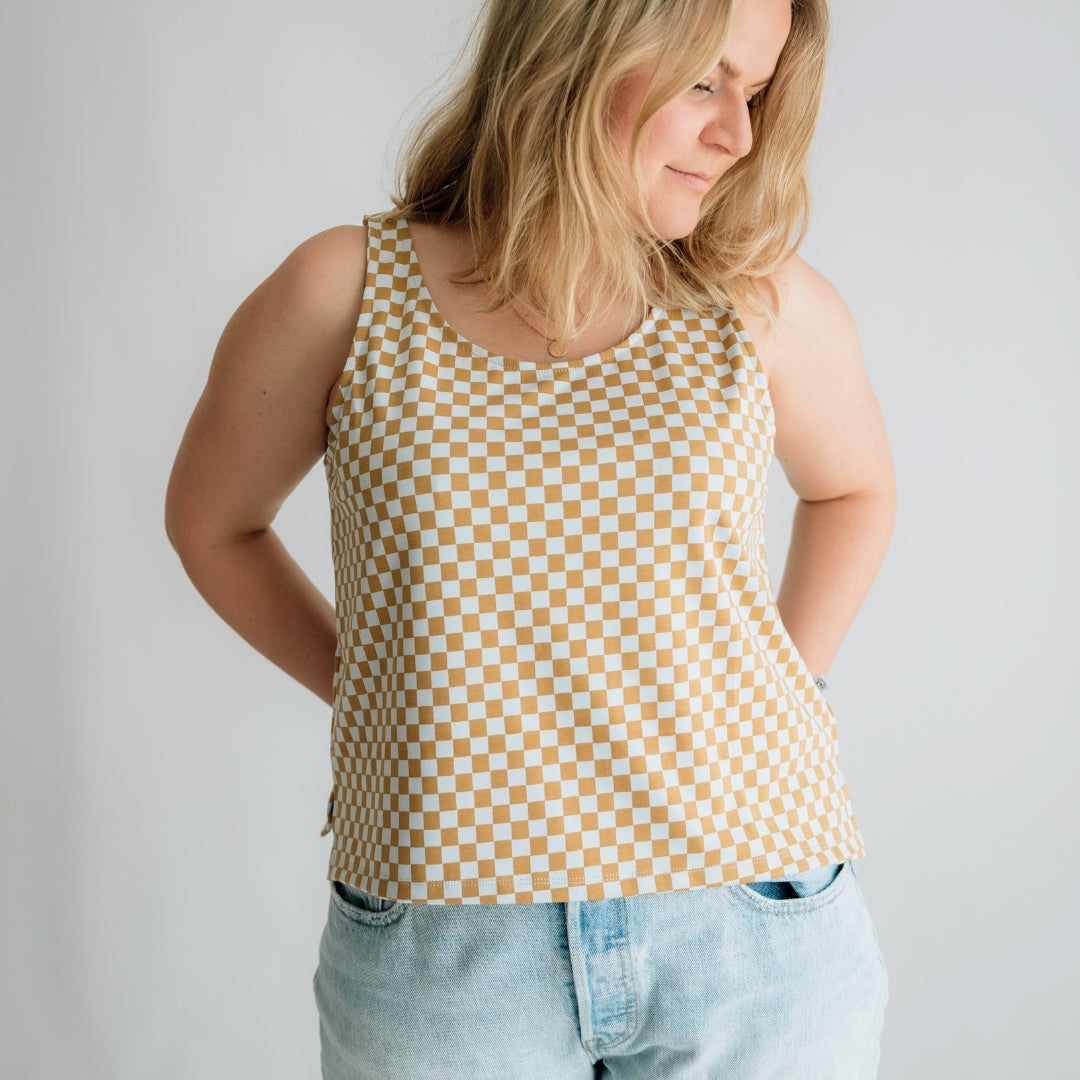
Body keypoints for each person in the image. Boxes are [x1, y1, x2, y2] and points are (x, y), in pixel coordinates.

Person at [165, 0, 894, 1075]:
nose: (739, 133)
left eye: (758, 91)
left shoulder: (759, 304)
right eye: (706, 81)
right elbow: (213, 525)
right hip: (444, 937)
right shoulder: (347, 292)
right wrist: (383, 691)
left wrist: (779, 686)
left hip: (750, 915)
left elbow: (855, 492)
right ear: (576, 49)